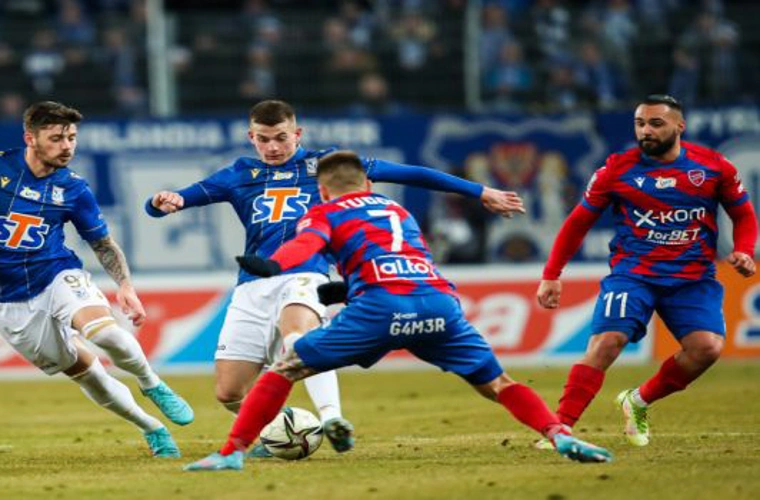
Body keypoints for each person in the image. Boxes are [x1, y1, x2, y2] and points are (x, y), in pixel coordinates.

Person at [184, 151, 612, 471]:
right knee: (499, 383)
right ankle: (559, 434)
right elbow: (397, 261)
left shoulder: (323, 212)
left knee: (284, 368)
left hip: (380, 310)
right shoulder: (398, 211)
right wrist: (344, 290)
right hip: (437, 304)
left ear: (324, 190)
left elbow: (304, 247)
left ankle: (231, 453)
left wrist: (274, 266)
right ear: (368, 185)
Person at [146, 99, 524, 455]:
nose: (273, 147)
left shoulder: (326, 165)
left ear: (297, 134)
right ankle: (280, 430)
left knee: (299, 339)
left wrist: (480, 191)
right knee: (228, 392)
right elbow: (170, 203)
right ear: (251, 137)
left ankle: (331, 418)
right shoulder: (239, 173)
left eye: (281, 138)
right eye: (263, 139)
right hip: (253, 283)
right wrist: (163, 201)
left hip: (305, 274)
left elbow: (411, 173)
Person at [0, 101, 193, 457]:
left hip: (56, 274)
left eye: (72, 138)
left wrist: (125, 287)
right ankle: (151, 427)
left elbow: (102, 244)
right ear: (30, 138)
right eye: (57, 138)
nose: (67, 146)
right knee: (89, 375)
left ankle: (151, 383)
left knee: (104, 332)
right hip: (4, 298)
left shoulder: (74, 189)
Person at [536, 94, 758, 447]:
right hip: (634, 274)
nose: (646, 131)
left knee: (706, 349)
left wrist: (744, 250)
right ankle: (559, 430)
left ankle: (637, 401)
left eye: (656, 123)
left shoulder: (714, 167)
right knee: (607, 342)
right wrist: (552, 274)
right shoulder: (616, 170)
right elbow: (578, 223)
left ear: (679, 126)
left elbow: (743, 214)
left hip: (692, 278)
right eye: (640, 124)